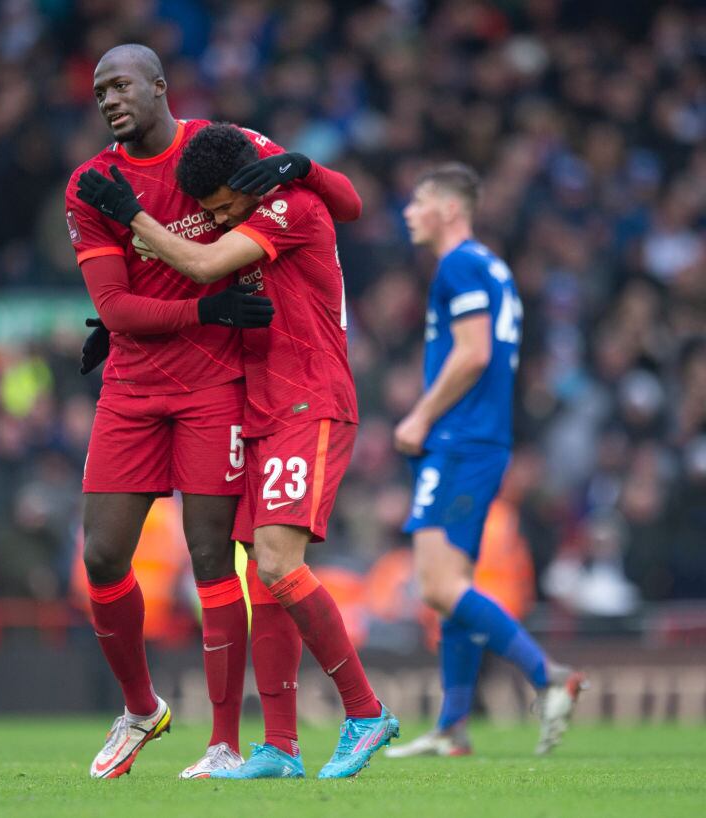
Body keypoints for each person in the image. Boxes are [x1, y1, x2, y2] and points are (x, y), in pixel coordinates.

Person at [65, 44, 362, 780]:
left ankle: (225, 742)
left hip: (220, 385)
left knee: (212, 556)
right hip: (134, 385)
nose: (109, 99)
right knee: (102, 553)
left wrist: (300, 163)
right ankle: (141, 707)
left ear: (161, 86)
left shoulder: (223, 147)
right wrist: (200, 310)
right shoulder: (92, 185)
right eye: (100, 90)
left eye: (122, 84)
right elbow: (114, 310)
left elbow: (339, 204)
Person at [386, 163, 585, 757]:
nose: (408, 212)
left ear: (450, 208)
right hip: (481, 439)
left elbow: (473, 355)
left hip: (460, 441)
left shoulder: (461, 264)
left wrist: (422, 414)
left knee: (437, 584)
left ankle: (549, 676)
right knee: (456, 584)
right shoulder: (493, 266)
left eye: (418, 201)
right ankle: (453, 726)